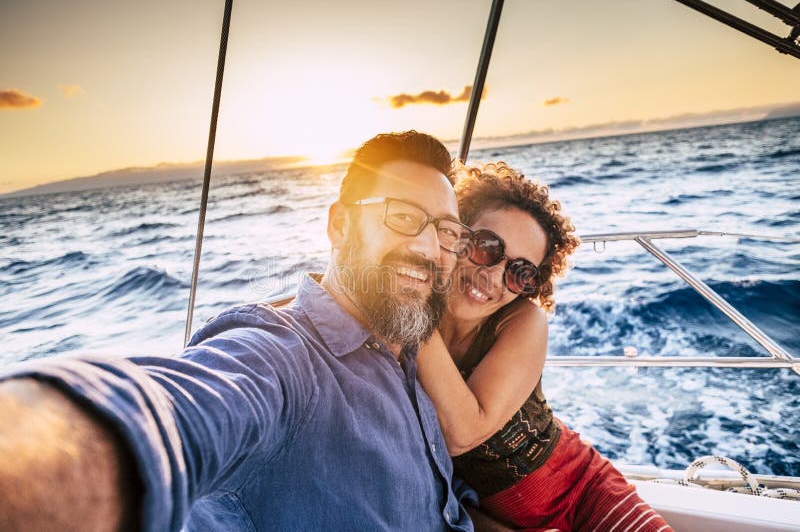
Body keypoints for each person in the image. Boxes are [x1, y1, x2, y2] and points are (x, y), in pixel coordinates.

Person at [0, 131, 509, 531]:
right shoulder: (283, 357)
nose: (428, 249)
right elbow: (171, 413)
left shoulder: (407, 349)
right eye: (403, 218)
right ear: (339, 226)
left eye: (446, 232)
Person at [417, 162, 672, 531]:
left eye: (520, 272)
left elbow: (463, 433)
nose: (493, 277)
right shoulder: (397, 323)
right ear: (455, 235)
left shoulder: (521, 319)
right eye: (487, 247)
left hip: (585, 493)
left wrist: (412, 313)